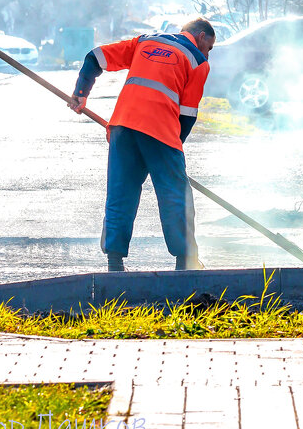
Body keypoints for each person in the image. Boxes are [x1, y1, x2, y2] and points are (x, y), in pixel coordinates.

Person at [69, 18, 217, 272]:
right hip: (161, 132)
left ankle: (114, 264)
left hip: (122, 128)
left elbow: (94, 58)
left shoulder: (146, 41)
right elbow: (187, 115)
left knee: (121, 193)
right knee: (175, 195)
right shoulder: (198, 61)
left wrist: (81, 93)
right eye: (210, 47)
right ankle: (186, 262)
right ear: (201, 36)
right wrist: (172, 155)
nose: (208, 53)